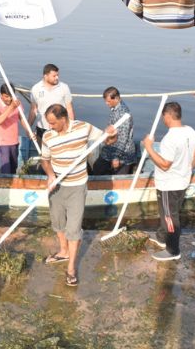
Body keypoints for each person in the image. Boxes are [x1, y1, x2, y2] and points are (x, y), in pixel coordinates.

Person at [41, 104, 117, 286]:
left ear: (63, 118)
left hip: (77, 187)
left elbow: (107, 141)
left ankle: (71, 268)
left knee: (73, 229)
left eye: (52, 123)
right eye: (48, 123)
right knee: (58, 222)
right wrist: (50, 175)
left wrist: (111, 134)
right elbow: (45, 160)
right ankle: (63, 252)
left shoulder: (84, 128)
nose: (50, 126)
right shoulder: (47, 135)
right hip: (57, 186)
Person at [142, 101, 195, 261]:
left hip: (169, 185)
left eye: (163, 116)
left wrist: (149, 148)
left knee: (169, 216)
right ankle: (161, 237)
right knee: (168, 212)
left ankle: (173, 250)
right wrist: (186, 171)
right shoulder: (191, 131)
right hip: (183, 180)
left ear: (167, 115)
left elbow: (165, 165)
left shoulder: (170, 138)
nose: (162, 119)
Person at [92, 87, 135, 175]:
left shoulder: (123, 114)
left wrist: (116, 157)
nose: (106, 103)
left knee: (105, 170)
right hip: (112, 146)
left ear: (116, 98)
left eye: (108, 101)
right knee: (97, 167)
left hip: (123, 153)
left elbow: (123, 138)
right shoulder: (115, 108)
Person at [28, 63, 74, 143]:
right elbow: (33, 110)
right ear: (45, 76)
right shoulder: (36, 89)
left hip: (60, 128)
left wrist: (71, 127)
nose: (57, 78)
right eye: (54, 76)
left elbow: (69, 109)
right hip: (42, 129)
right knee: (43, 153)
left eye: (58, 75)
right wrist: (28, 128)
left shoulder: (64, 88)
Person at [0, 83, 22, 174]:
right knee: (6, 171)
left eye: (11, 96)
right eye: (6, 96)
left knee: (13, 169)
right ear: (1, 95)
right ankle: (5, 186)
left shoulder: (17, 103)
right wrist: (11, 108)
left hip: (14, 142)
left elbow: (22, 118)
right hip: (2, 143)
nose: (9, 99)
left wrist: (29, 132)